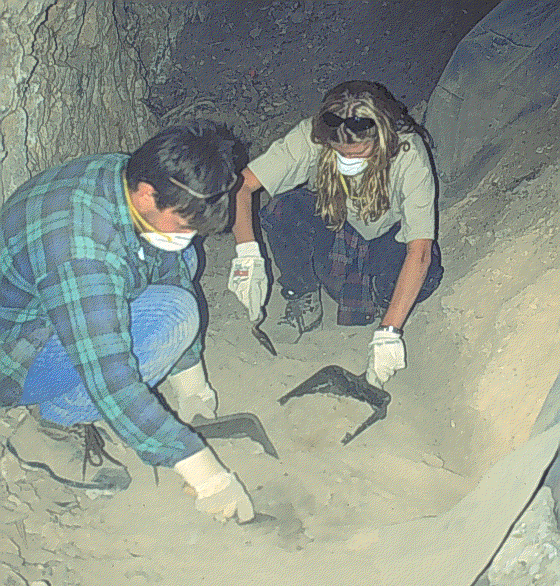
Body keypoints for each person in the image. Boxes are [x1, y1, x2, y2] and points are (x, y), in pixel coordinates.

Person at [0, 121, 254, 523]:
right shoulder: (79, 247)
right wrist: (202, 470)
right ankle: (51, 421)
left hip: (58, 309)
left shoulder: (129, 177)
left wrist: (191, 384)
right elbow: (111, 376)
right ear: (147, 194)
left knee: (181, 255)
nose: (188, 233)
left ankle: (114, 408)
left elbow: (168, 264)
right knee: (174, 315)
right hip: (16, 354)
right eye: (185, 222)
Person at [228, 80, 443, 387]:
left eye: (359, 152)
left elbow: (419, 250)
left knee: (413, 278)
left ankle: (384, 306)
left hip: (386, 236)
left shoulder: (408, 153)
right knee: (282, 211)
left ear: (382, 136)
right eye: (340, 151)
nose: (348, 160)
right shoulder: (312, 136)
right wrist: (246, 254)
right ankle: (304, 296)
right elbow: (242, 186)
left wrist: (390, 333)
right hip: (337, 223)